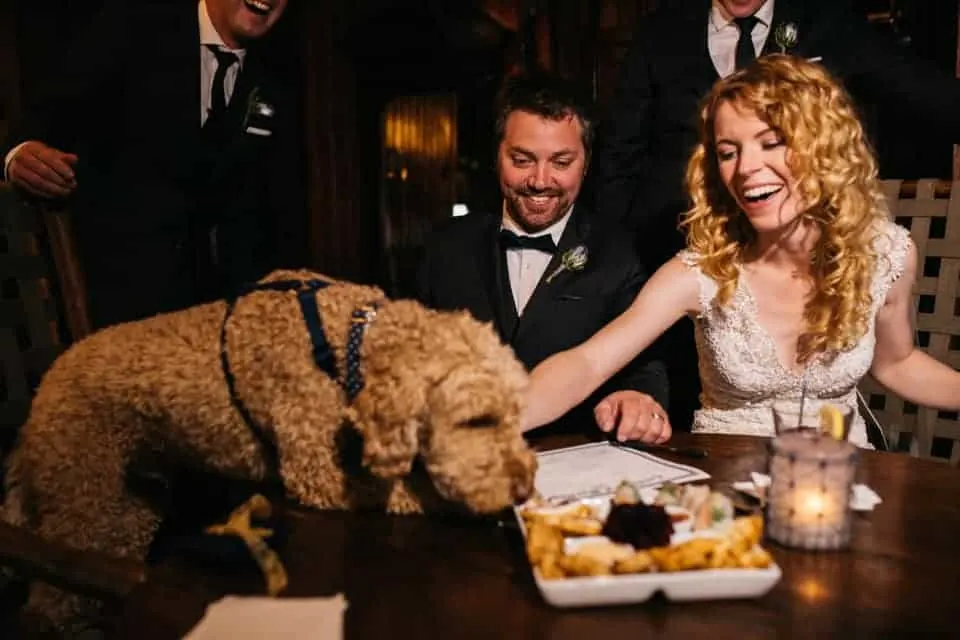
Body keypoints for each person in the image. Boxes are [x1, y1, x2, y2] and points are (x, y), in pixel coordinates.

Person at [522, 55, 960, 448]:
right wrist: (489, 426)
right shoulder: (699, 273)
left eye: (772, 143)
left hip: (838, 481)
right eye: (728, 152)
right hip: (728, 489)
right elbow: (586, 364)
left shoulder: (886, 255)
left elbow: (898, 363)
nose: (746, 168)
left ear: (823, 148)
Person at [1, 0, 305, 329]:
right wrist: (17, 155)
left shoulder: (279, 74)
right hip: (101, 308)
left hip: (209, 319)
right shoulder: (135, 23)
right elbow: (41, 118)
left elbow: (268, 215)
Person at [418, 70, 670, 443]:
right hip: (462, 456)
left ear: (585, 163)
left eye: (561, 162)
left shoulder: (619, 253)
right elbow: (411, 354)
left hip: (578, 462)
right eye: (522, 160)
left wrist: (637, 397)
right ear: (497, 156)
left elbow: (644, 365)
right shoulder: (446, 246)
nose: (540, 180)